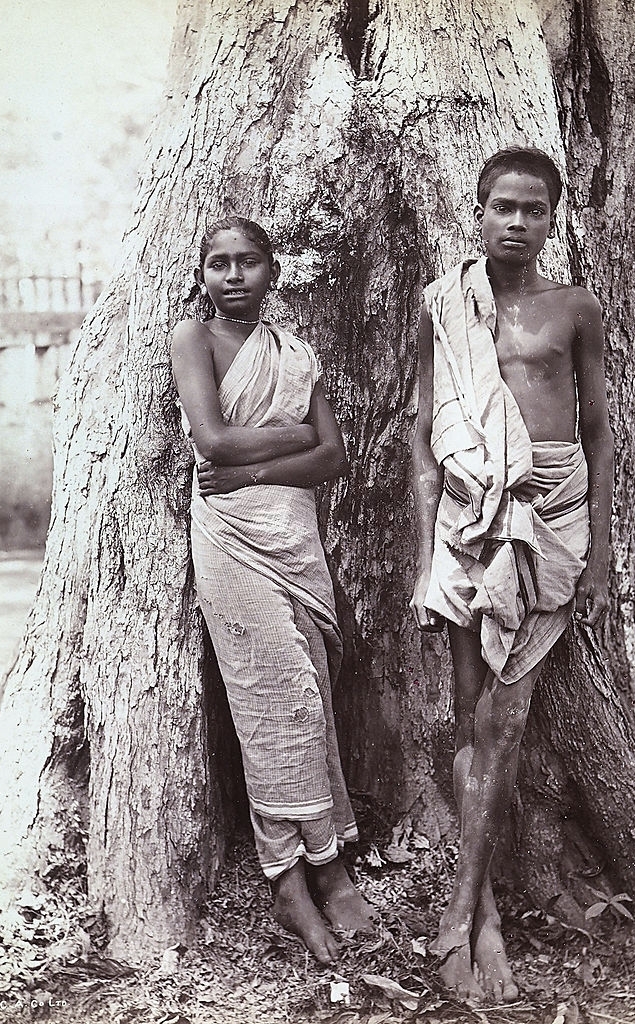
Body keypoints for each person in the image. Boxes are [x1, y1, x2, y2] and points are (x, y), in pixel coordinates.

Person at [410, 148, 614, 1005]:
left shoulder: (574, 309)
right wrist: (429, 554)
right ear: (479, 211)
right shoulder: (447, 308)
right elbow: (422, 436)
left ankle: (458, 914)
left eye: (534, 208)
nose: (517, 221)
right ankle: (480, 916)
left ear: (553, 217)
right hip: (466, 523)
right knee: (469, 720)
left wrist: (600, 546)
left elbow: (599, 431)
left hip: (550, 517)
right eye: (503, 206)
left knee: (508, 721)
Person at [171, 216, 374, 965]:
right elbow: (212, 441)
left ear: (271, 272)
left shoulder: (295, 354)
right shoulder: (193, 339)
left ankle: (327, 856)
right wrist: (293, 438)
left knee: (311, 692)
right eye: (218, 263)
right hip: (232, 543)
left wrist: (261, 464)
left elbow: (336, 458)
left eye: (247, 262)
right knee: (273, 696)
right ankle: (298, 877)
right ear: (203, 276)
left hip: (295, 537)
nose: (233, 275)